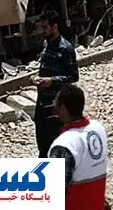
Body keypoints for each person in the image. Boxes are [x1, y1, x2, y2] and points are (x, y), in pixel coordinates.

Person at [49, 84, 109, 209]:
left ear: (63, 109)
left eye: (56, 103)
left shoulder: (65, 144)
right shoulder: (98, 128)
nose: (53, 104)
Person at [33, 10, 79, 158]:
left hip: (56, 104)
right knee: (42, 144)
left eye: (45, 27)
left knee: (53, 144)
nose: (43, 31)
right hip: (42, 102)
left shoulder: (66, 48)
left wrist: (52, 80)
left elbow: (73, 76)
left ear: (55, 27)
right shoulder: (46, 45)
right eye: (41, 27)